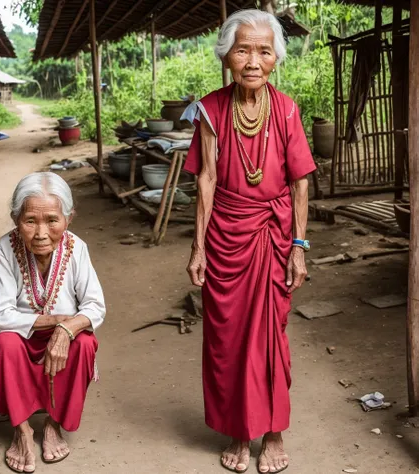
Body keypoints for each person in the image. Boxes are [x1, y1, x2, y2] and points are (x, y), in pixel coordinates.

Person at [183, 9, 317, 474]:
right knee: (227, 337)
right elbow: (206, 180)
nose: (253, 60)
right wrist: (198, 247)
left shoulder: (286, 110)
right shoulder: (210, 108)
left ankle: (273, 430)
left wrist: (299, 246)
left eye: (264, 51)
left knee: (271, 336)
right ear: (227, 56)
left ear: (276, 59)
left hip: (274, 235)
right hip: (225, 236)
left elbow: (300, 182)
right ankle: (241, 431)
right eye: (243, 50)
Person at [0, 172, 106, 473]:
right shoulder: (5, 247)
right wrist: (58, 319)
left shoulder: (77, 248)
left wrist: (68, 329)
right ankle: (22, 431)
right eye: (30, 220)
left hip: (59, 334)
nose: (41, 232)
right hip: (15, 337)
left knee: (84, 342)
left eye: (52, 220)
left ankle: (54, 425)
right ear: (15, 218)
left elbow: (96, 305)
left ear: (69, 218)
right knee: (6, 343)